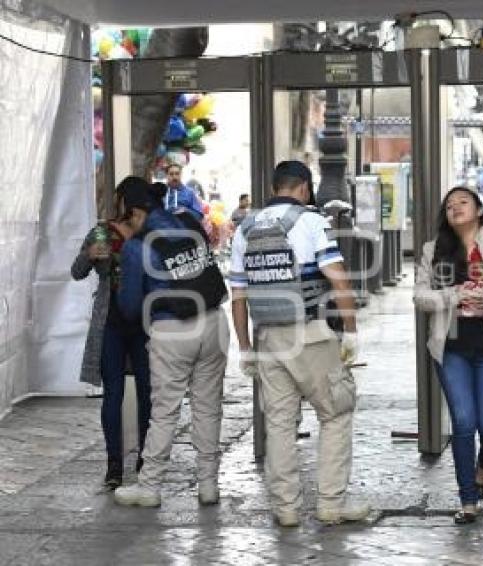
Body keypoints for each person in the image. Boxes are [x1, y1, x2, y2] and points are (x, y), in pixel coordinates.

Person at [229, 160, 368, 527]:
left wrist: (244, 348)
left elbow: (238, 296)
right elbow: (338, 280)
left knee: (279, 423)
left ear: (275, 187)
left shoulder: (245, 228)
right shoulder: (310, 221)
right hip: (309, 335)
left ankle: (286, 508)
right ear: (305, 188)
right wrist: (351, 332)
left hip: (266, 338)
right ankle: (331, 504)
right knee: (335, 412)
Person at [413, 186, 483, 524]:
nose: (455, 208)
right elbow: (420, 296)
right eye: (449, 205)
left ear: (479, 209)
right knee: (464, 422)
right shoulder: (433, 249)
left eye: (463, 202)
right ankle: (468, 500)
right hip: (451, 347)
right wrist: (452, 294)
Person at [112, 178, 229, 508]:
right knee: (208, 408)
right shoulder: (189, 220)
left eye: (124, 218)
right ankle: (208, 486)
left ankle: (149, 486)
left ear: (134, 213)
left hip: (172, 330)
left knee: (164, 412)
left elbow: (131, 306)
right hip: (213, 321)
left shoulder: (138, 246)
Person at [71, 178, 152, 489]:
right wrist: (89, 255)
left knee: (148, 391)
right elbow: (76, 272)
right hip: (111, 325)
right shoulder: (102, 231)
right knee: (113, 394)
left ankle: (146, 458)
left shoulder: (151, 233)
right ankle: (114, 465)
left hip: (145, 325)